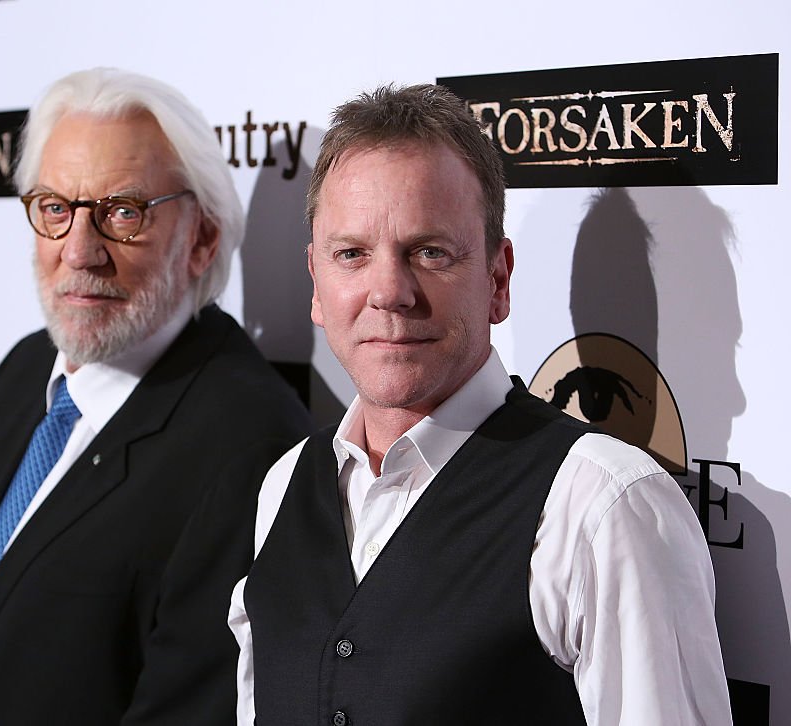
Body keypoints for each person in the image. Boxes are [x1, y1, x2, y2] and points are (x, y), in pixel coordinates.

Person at [228, 84, 732, 725]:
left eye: (429, 252)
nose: (388, 291)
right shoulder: (284, 485)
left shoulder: (603, 506)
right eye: (351, 254)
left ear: (497, 280)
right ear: (317, 286)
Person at [0, 67, 312, 726]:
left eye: (123, 212)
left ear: (202, 239)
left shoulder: (247, 443)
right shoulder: (23, 370)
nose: (80, 251)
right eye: (55, 209)